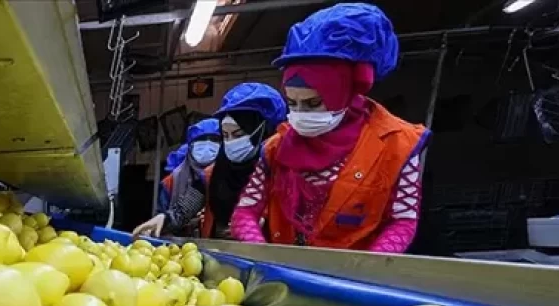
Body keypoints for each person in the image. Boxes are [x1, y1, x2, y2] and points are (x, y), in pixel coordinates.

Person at [228, 3, 428, 253]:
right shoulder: (276, 148)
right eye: (293, 103)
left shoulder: (398, 145)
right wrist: (265, 255)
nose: (301, 114)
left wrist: (366, 270)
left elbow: (403, 220)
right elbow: (246, 209)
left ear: (346, 90)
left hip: (355, 278)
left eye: (312, 102)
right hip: (288, 275)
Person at [202, 83, 287, 238]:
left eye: (238, 134)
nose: (231, 142)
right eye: (225, 136)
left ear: (264, 130)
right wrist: (167, 217)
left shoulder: (283, 173)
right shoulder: (214, 173)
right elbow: (187, 203)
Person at [134, 117, 220, 237]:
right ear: (190, 147)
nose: (207, 146)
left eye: (214, 140)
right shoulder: (172, 182)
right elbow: (175, 216)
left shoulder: (227, 176)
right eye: (201, 140)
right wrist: (166, 220)